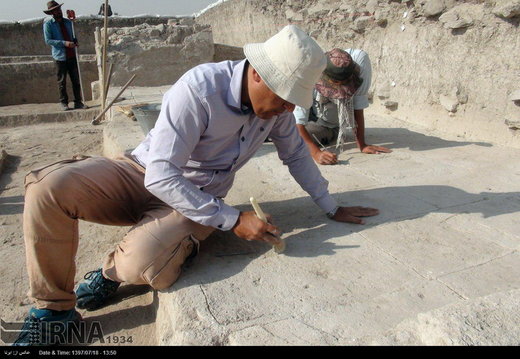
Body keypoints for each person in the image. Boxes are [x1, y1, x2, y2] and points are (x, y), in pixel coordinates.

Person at [13, 25, 379, 345]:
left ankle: (110, 273)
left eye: (292, 103)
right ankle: (53, 311)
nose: (287, 110)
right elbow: (158, 173)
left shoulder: (276, 112)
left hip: (195, 196)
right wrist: (234, 220)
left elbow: (297, 155)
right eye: (283, 99)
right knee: (48, 188)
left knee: (144, 266)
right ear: (257, 76)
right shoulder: (201, 89)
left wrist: (330, 205)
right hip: (140, 171)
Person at [294, 48, 392, 165]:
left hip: (323, 123)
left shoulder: (360, 60)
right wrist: (316, 153)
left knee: (293, 137)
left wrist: (362, 144)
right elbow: (298, 122)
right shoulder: (309, 70)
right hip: (305, 108)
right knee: (283, 126)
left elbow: (358, 106)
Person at [43, 1, 86, 111]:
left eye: (59, 10)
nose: (58, 12)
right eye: (56, 10)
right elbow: (48, 40)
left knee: (76, 80)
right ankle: (64, 102)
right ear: (52, 13)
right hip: (60, 56)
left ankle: (78, 102)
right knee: (62, 81)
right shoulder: (48, 24)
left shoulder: (68, 23)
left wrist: (74, 41)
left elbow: (73, 36)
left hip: (71, 55)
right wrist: (64, 43)